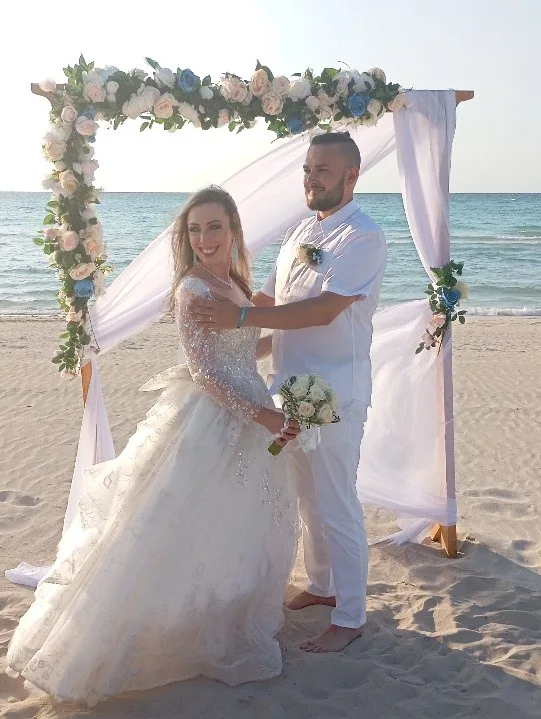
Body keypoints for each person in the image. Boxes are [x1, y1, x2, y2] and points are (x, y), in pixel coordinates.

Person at [6, 186, 300, 706]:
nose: (205, 238)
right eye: (195, 229)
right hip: (214, 417)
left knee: (233, 524)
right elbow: (205, 372)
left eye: (214, 227)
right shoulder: (193, 288)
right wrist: (264, 415)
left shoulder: (231, 282)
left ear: (233, 230)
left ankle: (218, 615)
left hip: (247, 406)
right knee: (176, 524)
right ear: (185, 238)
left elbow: (236, 348)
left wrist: (287, 339)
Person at [191, 132, 387, 653]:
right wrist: (232, 342)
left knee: (337, 503)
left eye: (323, 170)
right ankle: (322, 587)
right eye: (307, 169)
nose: (311, 178)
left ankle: (350, 616)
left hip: (336, 392)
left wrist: (242, 316)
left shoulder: (364, 236)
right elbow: (269, 297)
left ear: (351, 176)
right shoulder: (302, 228)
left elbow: (323, 310)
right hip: (291, 390)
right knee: (307, 499)